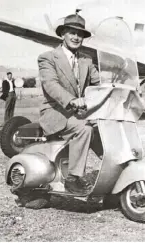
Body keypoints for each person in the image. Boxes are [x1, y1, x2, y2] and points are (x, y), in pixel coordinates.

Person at [38, 13, 99, 194]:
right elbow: (51, 85)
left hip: (79, 113)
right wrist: (71, 100)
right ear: (63, 34)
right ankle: (73, 178)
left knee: (106, 128)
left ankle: (116, 170)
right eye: (72, 32)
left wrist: (121, 88)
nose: (76, 37)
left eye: (80, 34)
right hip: (56, 113)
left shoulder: (86, 60)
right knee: (85, 129)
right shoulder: (48, 57)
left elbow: (99, 83)